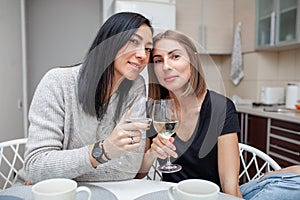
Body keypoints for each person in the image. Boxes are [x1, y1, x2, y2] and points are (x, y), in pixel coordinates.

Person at [136, 30, 300, 200]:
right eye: (158, 60)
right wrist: (151, 154)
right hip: (174, 196)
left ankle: (269, 178)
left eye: (175, 56)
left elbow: (229, 186)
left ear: (193, 60)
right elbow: (138, 175)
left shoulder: (220, 108)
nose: (166, 66)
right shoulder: (154, 111)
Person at [20, 12, 153, 184]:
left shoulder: (136, 87)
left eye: (148, 48)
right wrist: (103, 151)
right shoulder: (58, 82)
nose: (143, 55)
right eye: (134, 41)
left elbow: (129, 169)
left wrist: (60, 169)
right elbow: (36, 167)